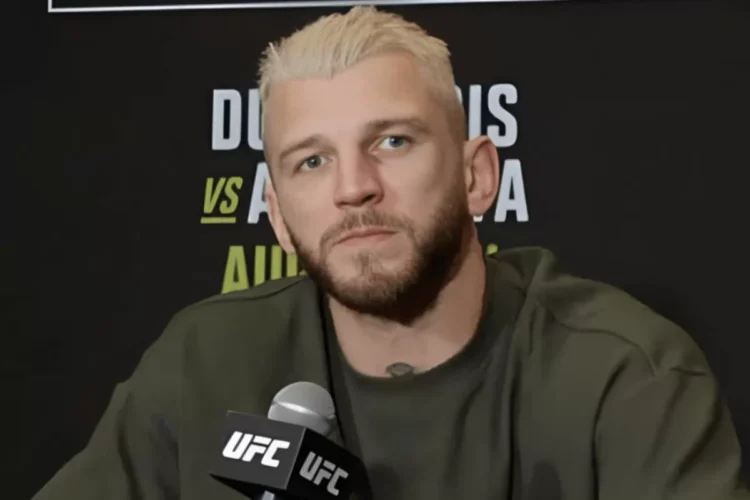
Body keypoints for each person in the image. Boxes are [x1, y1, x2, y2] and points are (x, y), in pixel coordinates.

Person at [33, 6, 748, 500]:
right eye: (312, 161)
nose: (354, 187)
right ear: (277, 216)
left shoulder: (624, 375)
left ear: (478, 175)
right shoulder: (203, 361)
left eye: (393, 141)